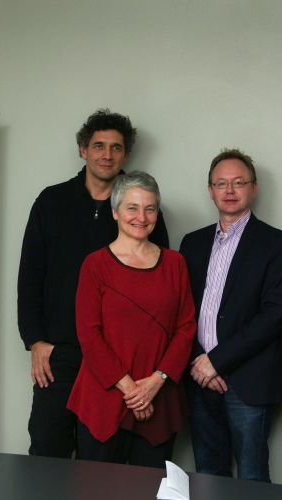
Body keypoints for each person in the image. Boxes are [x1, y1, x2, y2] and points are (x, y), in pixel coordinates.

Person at [17, 109, 169, 458]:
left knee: (104, 458)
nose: (107, 155)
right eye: (98, 146)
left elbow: (160, 286)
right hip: (62, 351)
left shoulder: (142, 209)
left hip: (120, 360)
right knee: (47, 446)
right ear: (82, 150)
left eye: (116, 148)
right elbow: (30, 276)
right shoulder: (51, 202)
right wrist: (35, 341)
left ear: (126, 154)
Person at [179, 149, 282, 482]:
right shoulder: (192, 243)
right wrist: (198, 362)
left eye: (239, 182)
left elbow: (274, 316)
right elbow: (179, 310)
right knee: (208, 475)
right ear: (210, 190)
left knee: (252, 477)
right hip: (199, 379)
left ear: (254, 188)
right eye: (221, 183)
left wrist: (216, 360)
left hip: (248, 381)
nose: (230, 191)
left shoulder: (277, 244)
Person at [66, 171, 195, 467]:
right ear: (115, 212)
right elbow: (89, 334)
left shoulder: (175, 264)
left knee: (150, 491)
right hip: (105, 398)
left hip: (159, 397)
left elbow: (186, 327)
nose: (142, 216)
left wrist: (155, 383)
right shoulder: (95, 265)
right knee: (97, 491)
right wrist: (132, 390)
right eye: (132, 208)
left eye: (150, 208)